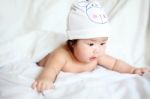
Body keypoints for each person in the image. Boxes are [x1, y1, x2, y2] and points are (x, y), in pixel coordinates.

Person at [32, 0, 150, 92]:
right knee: (47, 57)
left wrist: (133, 69)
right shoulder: (62, 55)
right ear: (73, 43)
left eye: (103, 43)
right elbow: (51, 69)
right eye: (91, 44)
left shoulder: (96, 56)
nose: (97, 50)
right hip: (47, 59)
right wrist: (45, 79)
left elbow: (115, 64)